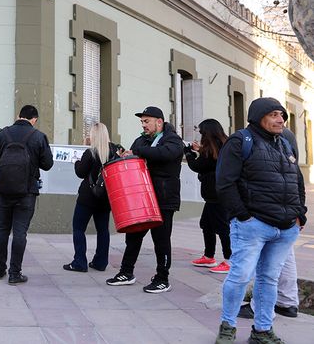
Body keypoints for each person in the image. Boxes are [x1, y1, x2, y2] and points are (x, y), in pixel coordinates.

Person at [214, 98, 306, 344]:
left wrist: (300, 213)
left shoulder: (285, 143)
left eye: (282, 115)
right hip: (252, 226)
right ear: (258, 116)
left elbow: (296, 180)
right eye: (274, 114)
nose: (281, 120)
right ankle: (228, 327)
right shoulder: (240, 141)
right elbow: (224, 183)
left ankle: (262, 330)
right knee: (240, 276)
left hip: (285, 228)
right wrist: (243, 216)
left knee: (269, 279)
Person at [106, 106, 183, 293]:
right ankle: (126, 272)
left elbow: (165, 154)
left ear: (159, 122)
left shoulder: (171, 139)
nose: (143, 125)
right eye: (142, 121)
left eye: (146, 121)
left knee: (161, 240)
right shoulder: (141, 140)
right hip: (142, 197)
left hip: (163, 198)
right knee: (133, 237)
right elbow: (135, 155)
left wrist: (138, 151)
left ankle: (162, 278)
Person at [0, 104, 53, 285]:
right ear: (34, 119)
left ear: (18, 115)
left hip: (4, 189)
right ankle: (14, 273)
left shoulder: (3, 134)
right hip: (27, 191)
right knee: (20, 232)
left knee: (2, 228)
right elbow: (47, 164)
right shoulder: (39, 136)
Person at [64, 122, 121, 273]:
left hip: (87, 198)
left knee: (78, 228)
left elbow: (80, 173)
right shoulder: (114, 152)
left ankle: (79, 262)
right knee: (103, 230)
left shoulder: (90, 153)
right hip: (105, 198)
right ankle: (100, 262)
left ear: (93, 136)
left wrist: (76, 162)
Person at [186, 119, 231, 274]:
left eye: (202, 133)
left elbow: (196, 166)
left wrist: (189, 153)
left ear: (207, 133)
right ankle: (209, 256)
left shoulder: (210, 150)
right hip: (217, 195)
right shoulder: (223, 146)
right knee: (206, 224)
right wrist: (200, 151)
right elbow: (210, 161)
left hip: (215, 196)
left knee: (222, 228)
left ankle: (230, 260)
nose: (200, 135)